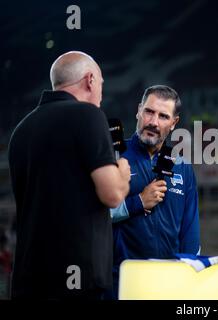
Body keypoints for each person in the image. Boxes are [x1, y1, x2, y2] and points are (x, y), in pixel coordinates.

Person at [8, 51, 131, 299]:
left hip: (28, 278)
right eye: (101, 85)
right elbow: (112, 194)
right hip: (76, 280)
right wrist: (123, 172)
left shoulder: (21, 130)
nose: (101, 96)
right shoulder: (88, 115)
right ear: (90, 81)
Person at [109, 85, 200, 299]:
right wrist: (137, 202)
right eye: (149, 112)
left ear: (174, 123)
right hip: (122, 281)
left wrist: (187, 278)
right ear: (139, 111)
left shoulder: (183, 168)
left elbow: (190, 232)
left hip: (169, 284)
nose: (153, 122)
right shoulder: (113, 157)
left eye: (163, 116)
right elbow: (93, 214)